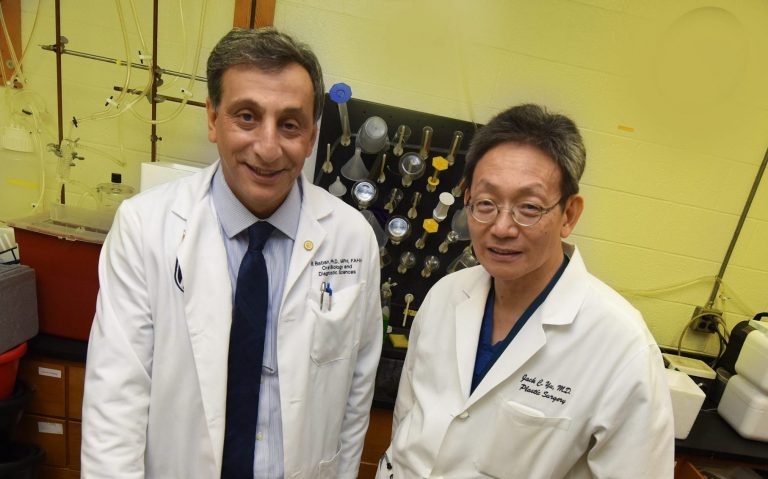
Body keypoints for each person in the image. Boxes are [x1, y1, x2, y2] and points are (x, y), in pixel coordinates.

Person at [81, 27, 382, 478]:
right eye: (246, 116)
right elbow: (114, 404)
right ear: (212, 118)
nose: (267, 147)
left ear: (312, 136)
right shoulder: (145, 227)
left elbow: (356, 394)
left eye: (290, 124)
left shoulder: (352, 239)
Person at [378, 104, 674, 478]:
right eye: (485, 204)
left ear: (569, 214)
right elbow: (408, 419)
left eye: (529, 207)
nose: (501, 227)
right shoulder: (445, 295)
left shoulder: (621, 344)